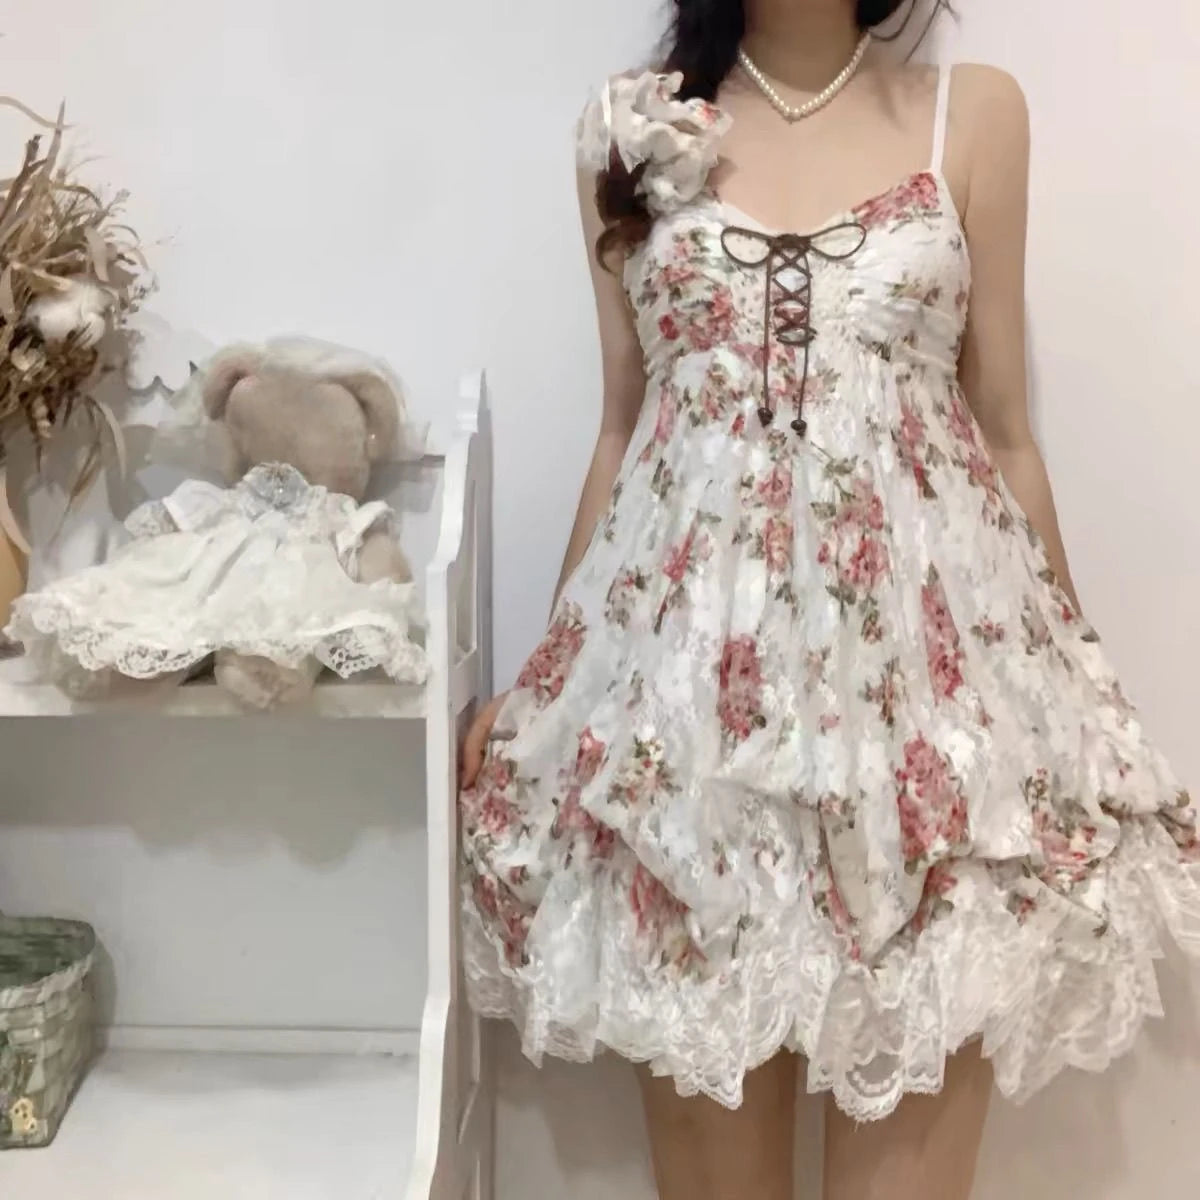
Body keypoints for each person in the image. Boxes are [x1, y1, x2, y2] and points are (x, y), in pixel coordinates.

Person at [458, 2, 1200, 1197]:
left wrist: (1086, 688)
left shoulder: (975, 115)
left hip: (926, 734)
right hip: (689, 736)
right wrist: (552, 681)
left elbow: (1006, 433)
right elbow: (621, 428)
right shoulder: (627, 132)